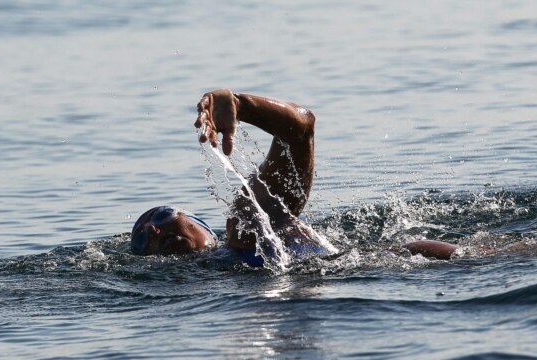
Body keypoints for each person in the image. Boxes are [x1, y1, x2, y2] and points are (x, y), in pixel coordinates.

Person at [130, 89, 457, 265]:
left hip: (431, 262)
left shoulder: (246, 225)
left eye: (160, 216)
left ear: (200, 226)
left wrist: (241, 105)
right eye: (142, 238)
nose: (155, 230)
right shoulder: (209, 275)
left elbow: (300, 128)